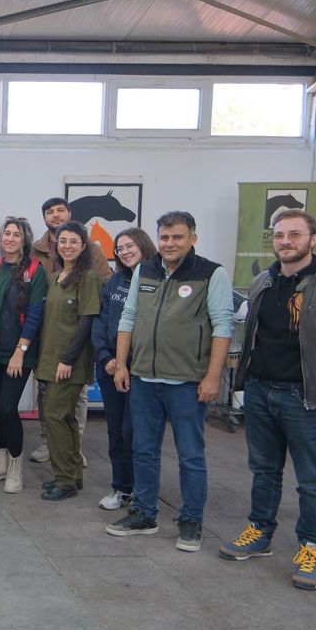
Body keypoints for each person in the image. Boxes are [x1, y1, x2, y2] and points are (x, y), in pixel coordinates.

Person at [223, 209, 316, 590]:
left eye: (294, 234)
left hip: (306, 398)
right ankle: (260, 531)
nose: (285, 241)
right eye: (279, 235)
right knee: (263, 470)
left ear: (313, 238)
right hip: (260, 391)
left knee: (311, 479)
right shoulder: (263, 281)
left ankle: (312, 547)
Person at [107, 211, 233, 552]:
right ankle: (145, 514)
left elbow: (223, 326)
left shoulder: (211, 273)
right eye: (164, 237)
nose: (169, 243)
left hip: (187, 383)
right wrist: (122, 365)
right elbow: (129, 316)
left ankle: (191, 521)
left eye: (177, 237)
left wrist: (213, 376)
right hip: (144, 379)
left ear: (192, 238)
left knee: (190, 455)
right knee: (143, 450)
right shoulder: (145, 270)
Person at [29, 197, 112, 464]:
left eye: (60, 211)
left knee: (77, 395)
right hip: (47, 330)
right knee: (46, 392)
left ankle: (74, 447)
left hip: (77, 331)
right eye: (49, 212)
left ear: (69, 213)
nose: (55, 215)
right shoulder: (37, 249)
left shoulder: (92, 251)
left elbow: (106, 282)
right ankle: (49, 442)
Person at [0, 217, 47, 494]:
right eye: (7, 234)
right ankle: (0, 462)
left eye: (16, 234)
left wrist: (20, 351)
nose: (10, 238)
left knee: (7, 407)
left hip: (17, 353)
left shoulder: (35, 271)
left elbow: (35, 315)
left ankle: (15, 466)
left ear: (24, 239)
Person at [35, 222, 102, 501]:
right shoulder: (54, 278)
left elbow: (87, 321)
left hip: (69, 362)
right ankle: (72, 476)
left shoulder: (89, 278)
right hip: (49, 359)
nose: (67, 246)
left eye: (74, 241)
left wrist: (67, 359)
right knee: (65, 418)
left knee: (54, 417)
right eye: (63, 241)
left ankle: (64, 481)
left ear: (84, 246)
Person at [91, 228, 156, 511]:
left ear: (143, 245)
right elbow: (100, 321)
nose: (125, 252)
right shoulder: (115, 282)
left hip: (141, 370)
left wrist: (128, 362)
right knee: (116, 432)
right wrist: (106, 357)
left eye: (130, 246)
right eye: (120, 248)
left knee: (134, 433)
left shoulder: (157, 280)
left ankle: (143, 492)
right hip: (110, 368)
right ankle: (122, 488)